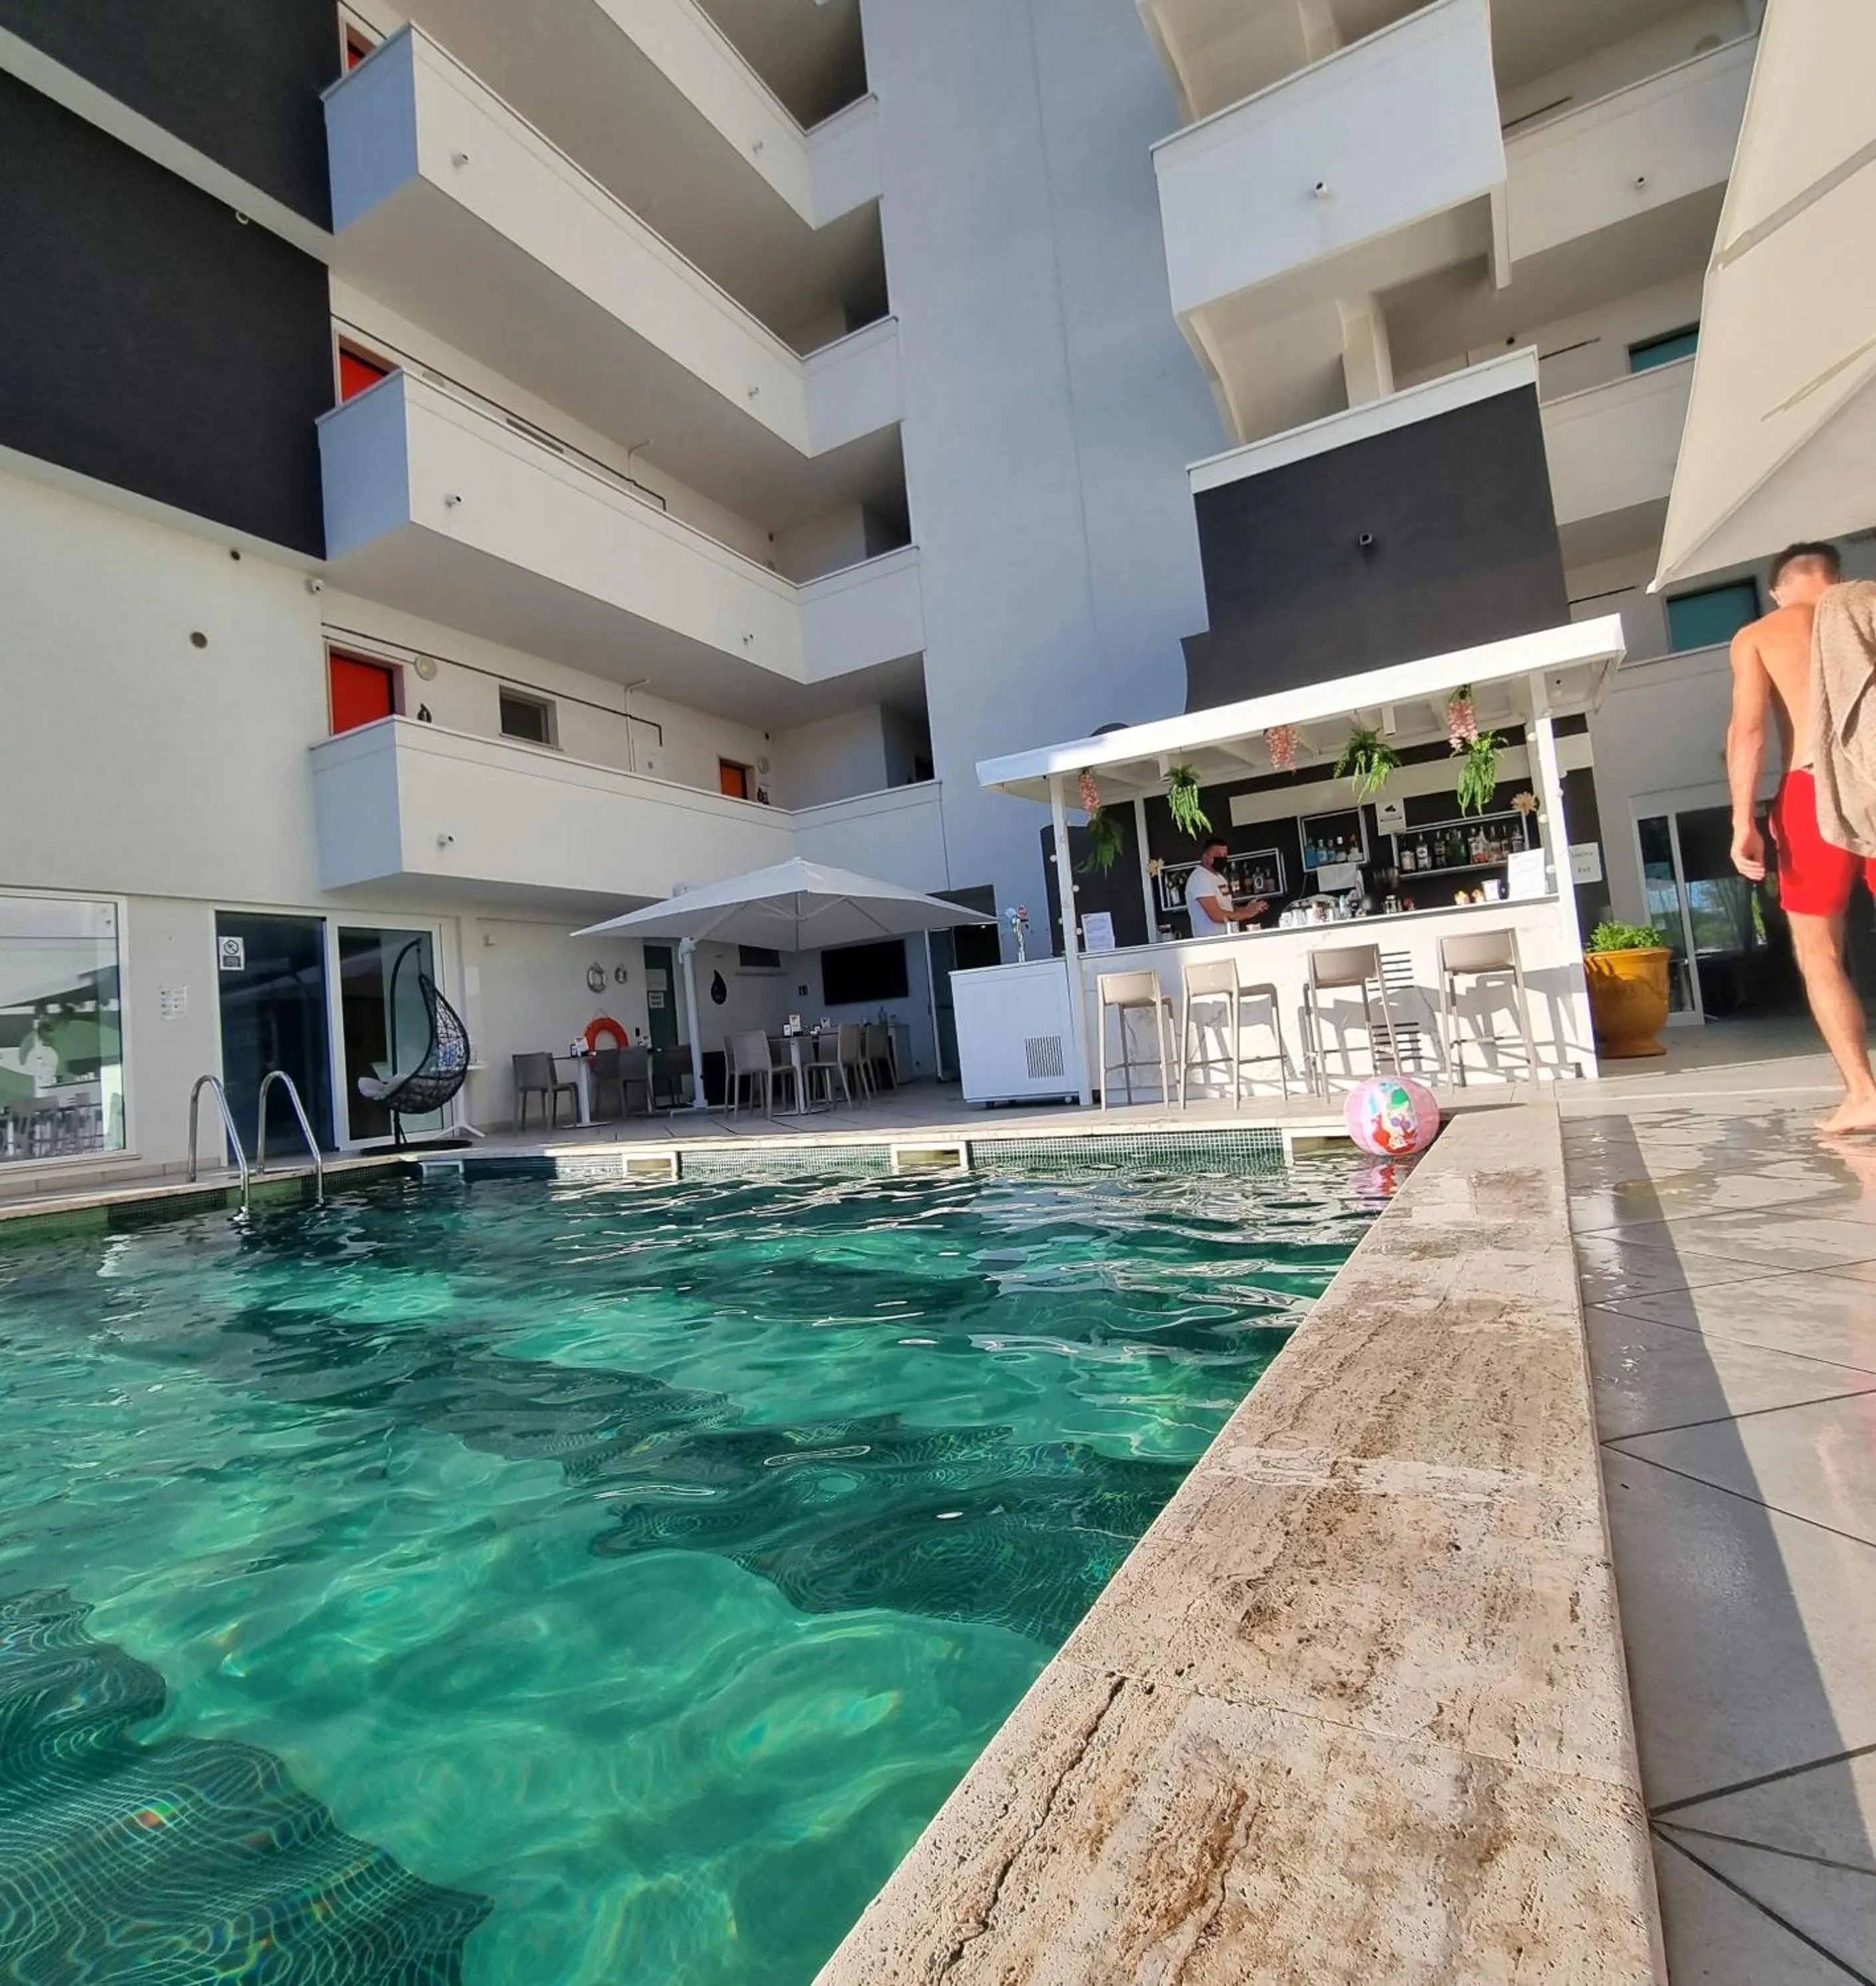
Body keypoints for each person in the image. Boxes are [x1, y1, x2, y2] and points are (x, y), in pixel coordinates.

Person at [1727, 539, 1876, 1132]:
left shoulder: (1759, 634)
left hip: (1809, 790)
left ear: (1777, 589)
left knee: (1819, 952)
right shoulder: (1864, 607)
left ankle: (1863, 1094)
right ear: (1835, 579)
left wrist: (1742, 821)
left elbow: (1748, 732)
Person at [1185, 839, 1269, 940]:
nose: (1222, 858)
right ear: (1205, 857)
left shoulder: (1219, 877)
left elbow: (1230, 909)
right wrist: (1247, 914)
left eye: (1224, 855)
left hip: (1227, 937)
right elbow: (1216, 915)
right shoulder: (1200, 878)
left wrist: (1249, 908)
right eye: (1217, 855)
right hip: (1211, 941)